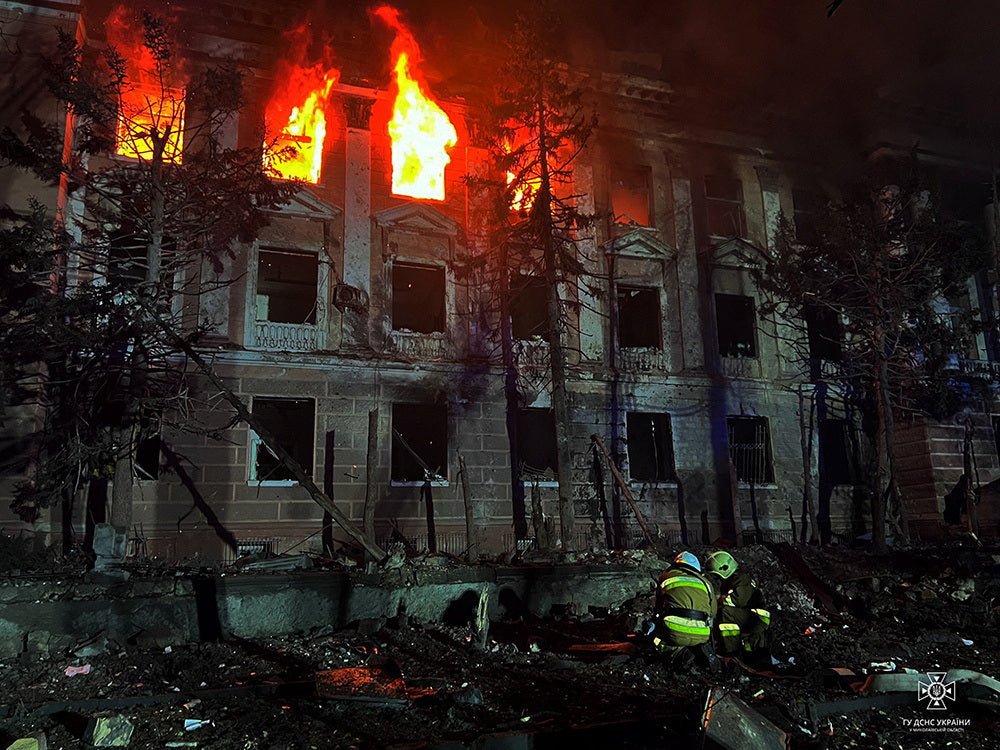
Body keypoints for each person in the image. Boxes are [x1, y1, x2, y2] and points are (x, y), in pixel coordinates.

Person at [652, 551, 719, 672]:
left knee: (656, 638)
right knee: (692, 638)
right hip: (702, 633)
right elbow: (713, 612)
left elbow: (658, 607)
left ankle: (677, 653)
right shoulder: (706, 583)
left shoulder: (665, 577)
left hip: (674, 631)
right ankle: (699, 650)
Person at [704, 550, 771, 665]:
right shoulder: (734, 580)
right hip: (749, 617)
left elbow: (735, 601)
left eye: (716, 575)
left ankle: (732, 651)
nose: (717, 578)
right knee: (721, 614)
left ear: (724, 569)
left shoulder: (741, 579)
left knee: (725, 612)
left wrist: (717, 601)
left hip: (757, 619)